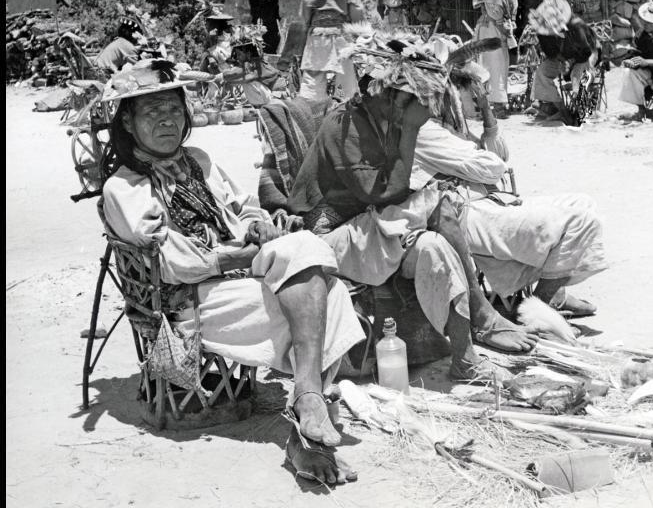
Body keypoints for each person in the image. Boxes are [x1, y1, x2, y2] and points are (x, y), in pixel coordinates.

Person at [100, 60, 364, 485]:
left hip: (242, 279)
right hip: (193, 300)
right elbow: (171, 264)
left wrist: (256, 225)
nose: (167, 121)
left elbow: (242, 208)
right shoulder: (124, 187)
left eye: (173, 110)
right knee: (322, 290)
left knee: (322, 283)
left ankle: (306, 411)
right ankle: (309, 405)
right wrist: (234, 258)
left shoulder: (199, 160)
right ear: (128, 122)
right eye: (152, 113)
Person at [288, 35, 539, 385]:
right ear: (382, 92)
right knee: (438, 207)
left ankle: (466, 352)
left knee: (435, 239)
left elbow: (394, 189)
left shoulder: (383, 122)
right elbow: (381, 191)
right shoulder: (343, 126)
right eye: (410, 98)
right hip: (330, 237)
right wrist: (410, 129)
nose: (418, 104)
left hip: (371, 227)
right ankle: (480, 315)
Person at [411, 49, 608, 316]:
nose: (483, 98)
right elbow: (493, 168)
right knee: (582, 221)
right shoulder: (428, 132)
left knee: (583, 203)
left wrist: (488, 117)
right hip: (470, 214)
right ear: (456, 91)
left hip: (490, 202)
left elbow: (499, 158)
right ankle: (537, 308)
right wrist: (484, 161)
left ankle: (554, 293)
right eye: (477, 93)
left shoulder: (454, 127)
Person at [299, 0, 365, 103]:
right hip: (340, 36)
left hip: (316, 37)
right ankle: (343, 114)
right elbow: (356, 9)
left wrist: (310, 27)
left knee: (313, 80)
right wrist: (359, 33)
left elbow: (305, 14)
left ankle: (311, 115)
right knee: (345, 79)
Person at [528, 0, 599, 126]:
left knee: (576, 75)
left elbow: (586, 51)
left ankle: (579, 111)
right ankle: (562, 110)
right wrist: (560, 61)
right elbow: (550, 53)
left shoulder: (576, 26)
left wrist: (570, 63)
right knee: (542, 72)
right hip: (564, 57)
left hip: (585, 55)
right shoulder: (543, 31)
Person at [472, 0, 518, 119]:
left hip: (491, 25)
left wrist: (498, 21)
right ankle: (499, 105)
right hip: (504, 26)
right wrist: (510, 22)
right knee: (501, 63)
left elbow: (494, 3)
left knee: (488, 64)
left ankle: (492, 106)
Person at [215, 25, 289, 108]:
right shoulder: (249, 63)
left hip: (278, 95)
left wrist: (230, 82)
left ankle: (261, 108)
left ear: (248, 54)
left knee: (247, 83)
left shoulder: (256, 63)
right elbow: (235, 73)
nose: (238, 57)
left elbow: (248, 78)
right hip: (271, 93)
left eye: (239, 54)